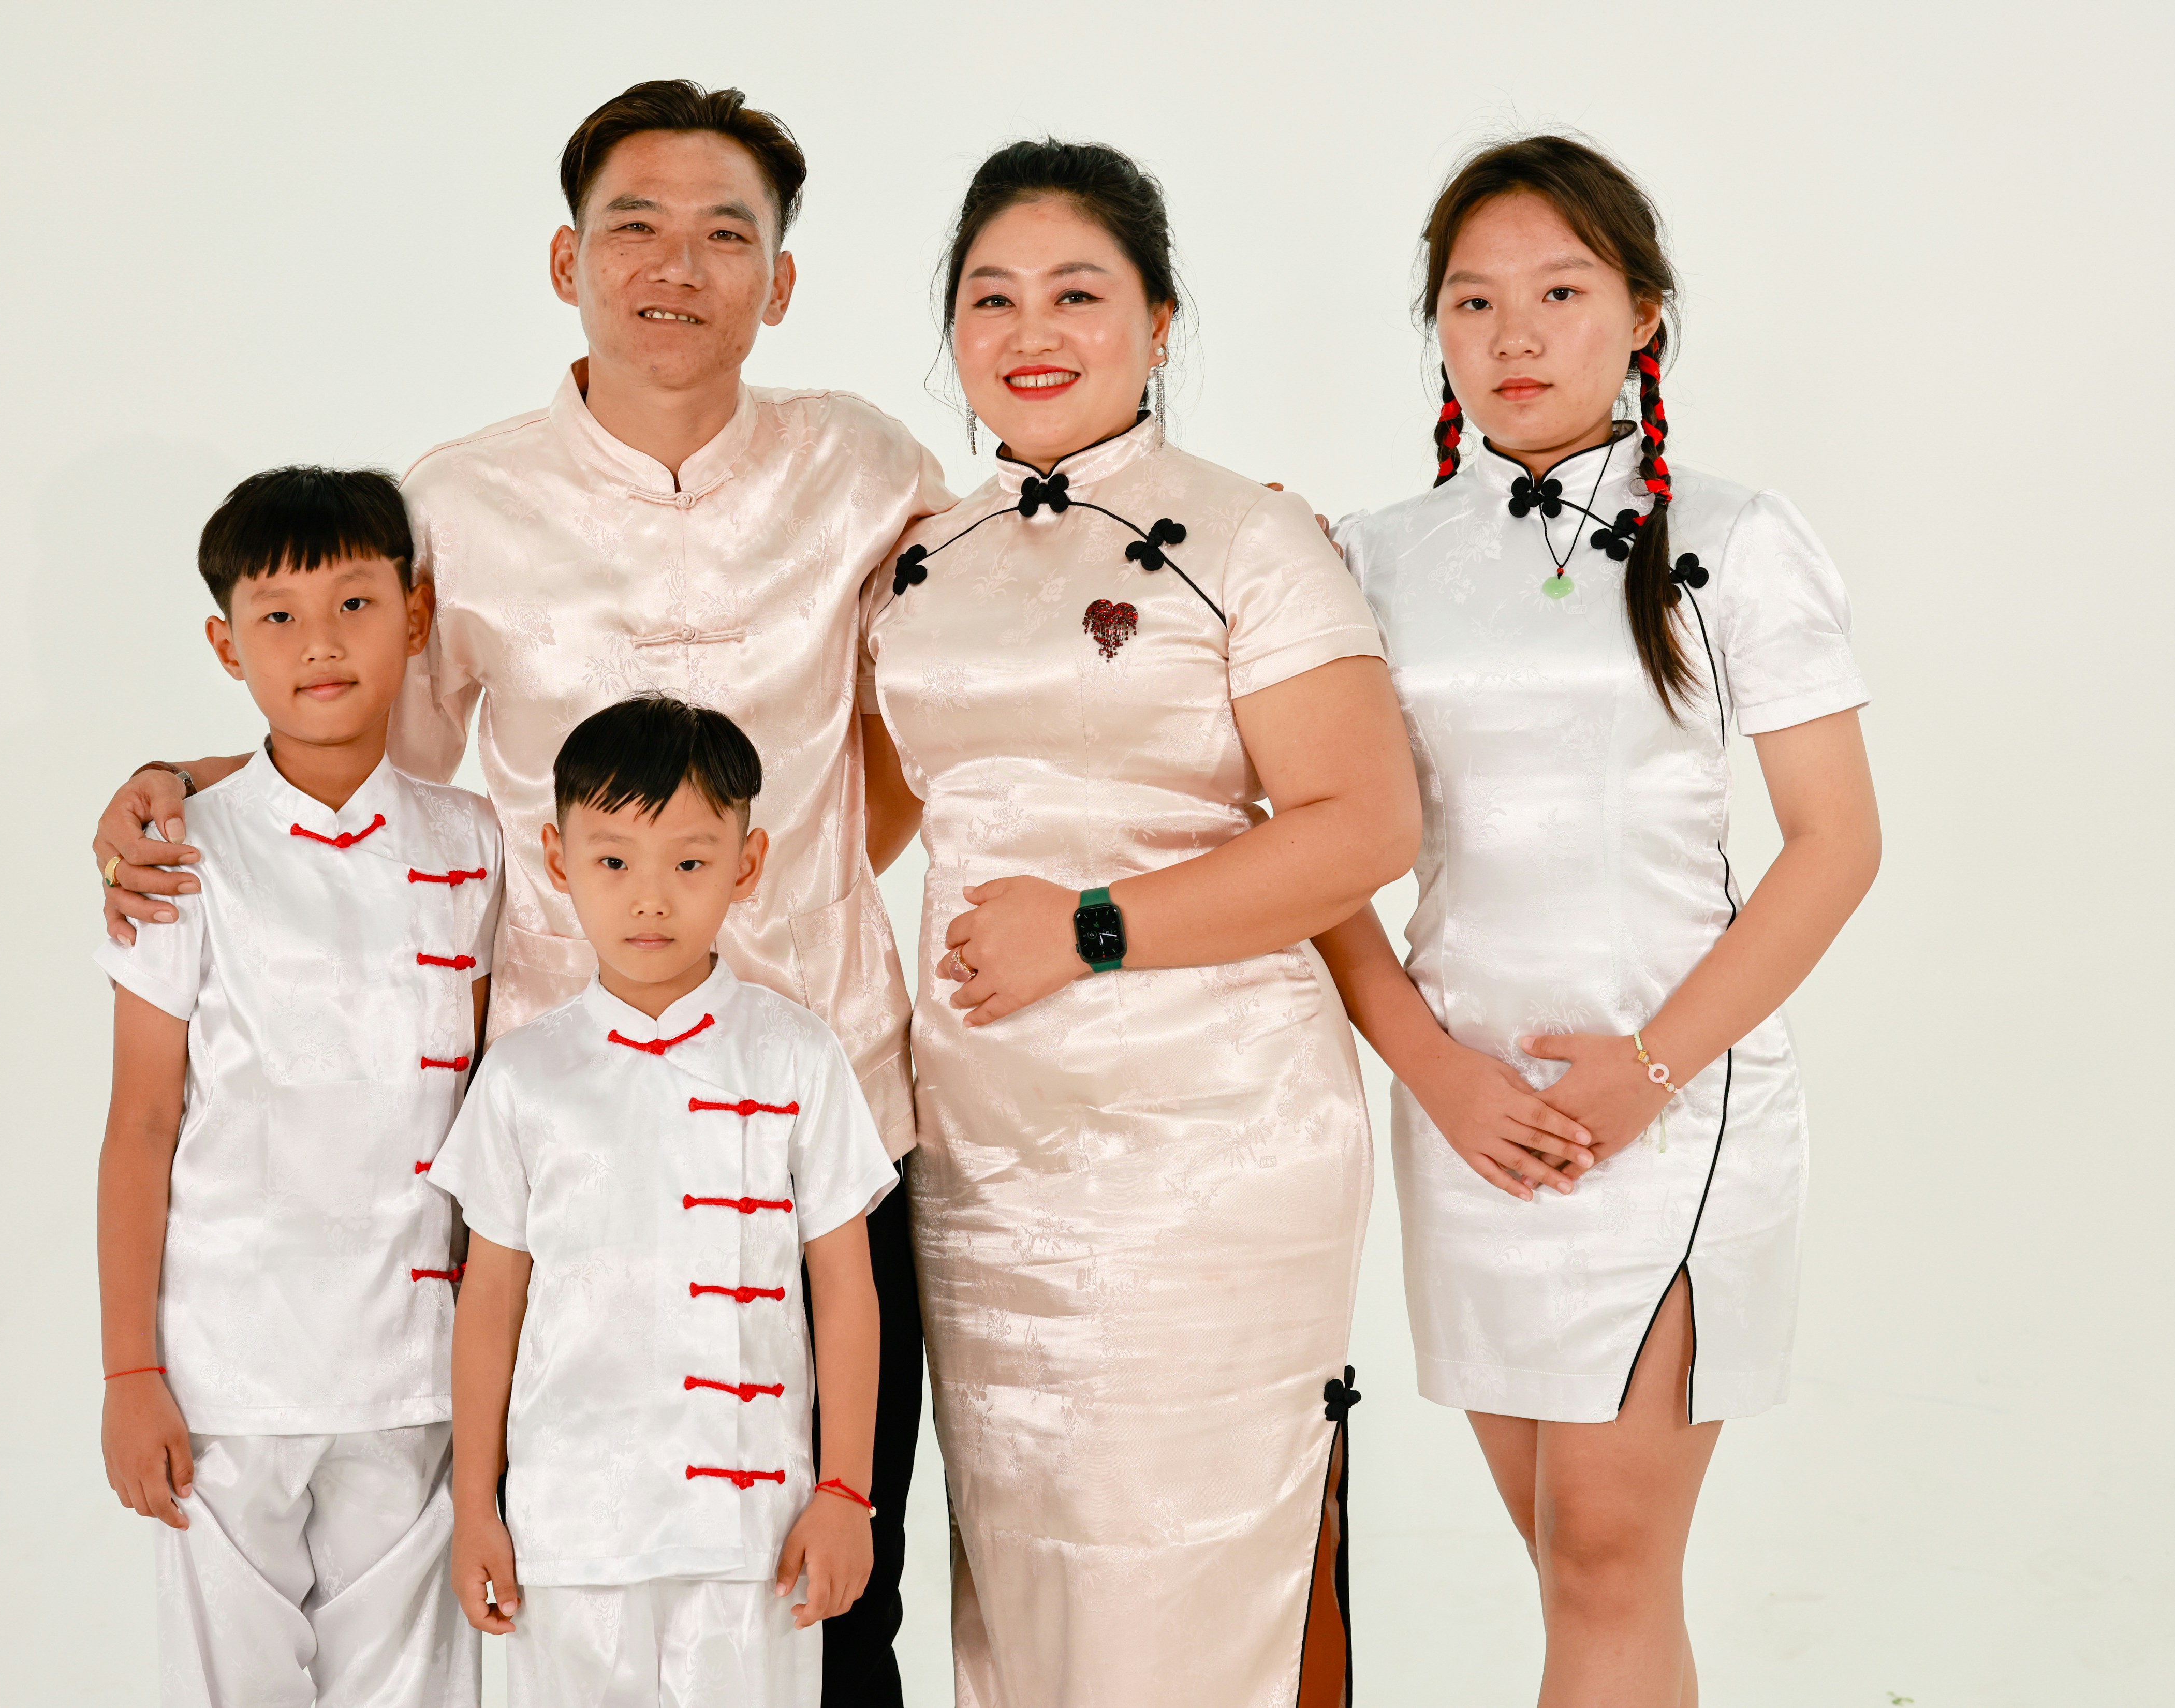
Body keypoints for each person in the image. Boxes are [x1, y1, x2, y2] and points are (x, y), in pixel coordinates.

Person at [87, 80, 949, 1701]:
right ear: (566, 261)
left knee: (840, 1584)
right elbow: (374, 764)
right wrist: (185, 779)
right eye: (634, 226)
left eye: (724, 235)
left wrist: (816, 872)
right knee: (555, 1583)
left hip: (826, 1085)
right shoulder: (460, 504)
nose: (675, 266)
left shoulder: (866, 466)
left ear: (780, 280)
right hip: (555, 1128)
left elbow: (956, 705)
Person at [1321, 136, 1882, 1708]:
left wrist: (1643, 1072)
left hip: (1672, 1107)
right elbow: (1319, 859)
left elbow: (1836, 845)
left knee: (1604, 1563)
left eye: (1559, 293)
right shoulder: (1366, 559)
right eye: (1472, 301)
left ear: (1640, 314)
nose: (1513, 334)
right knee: (1576, 1563)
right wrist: (1438, 1073)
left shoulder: (1736, 538)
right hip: (1471, 1114)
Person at [862, 140, 1420, 1708]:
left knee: (1182, 1567)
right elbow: (848, 814)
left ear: (1158, 321)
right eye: (990, 297)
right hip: (981, 1144)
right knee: (1027, 1561)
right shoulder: (921, 557)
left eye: (1077, 294)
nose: (1030, 330)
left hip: (1207, 1136)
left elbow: (1363, 825)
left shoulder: (1246, 535)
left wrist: (1089, 929)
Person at [93, 466, 503, 1706]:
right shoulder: (180, 853)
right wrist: (129, 1374)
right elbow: (141, 1123)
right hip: (228, 1371)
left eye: (354, 605)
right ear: (226, 645)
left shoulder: (473, 843)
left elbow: (493, 1124)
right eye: (276, 616)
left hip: (413, 1373)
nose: (319, 644)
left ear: (414, 619)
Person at [430, 695, 895, 1706]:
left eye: (688, 863)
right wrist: (475, 1506)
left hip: (751, 1540)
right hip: (570, 1538)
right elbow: (490, 1301)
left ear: (747, 863)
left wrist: (846, 1492)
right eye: (613, 861)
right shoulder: (524, 1074)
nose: (649, 900)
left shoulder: (797, 1055)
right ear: (557, 860)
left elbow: (846, 1290)